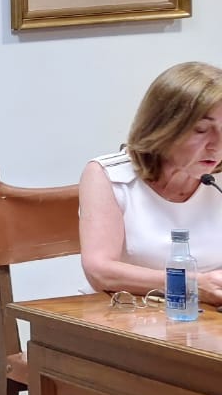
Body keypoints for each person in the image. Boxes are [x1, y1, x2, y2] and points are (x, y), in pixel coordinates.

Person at [81, 61, 222, 305]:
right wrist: (190, 284)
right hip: (129, 316)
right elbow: (100, 271)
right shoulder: (110, 175)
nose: (217, 144)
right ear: (164, 127)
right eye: (201, 130)